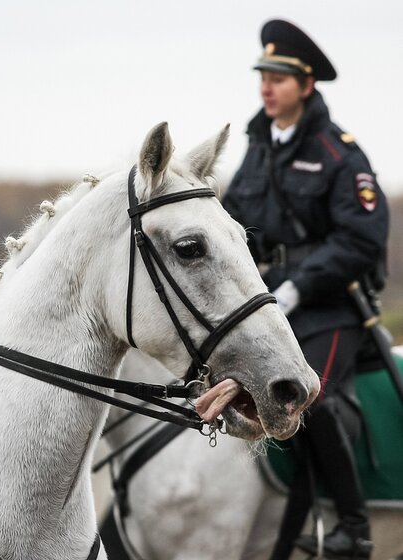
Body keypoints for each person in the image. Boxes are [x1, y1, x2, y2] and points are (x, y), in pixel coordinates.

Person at [223, 19, 388, 559]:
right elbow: (234, 225)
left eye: (278, 78)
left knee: (309, 395)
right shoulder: (258, 147)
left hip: (330, 307)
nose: (266, 88)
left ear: (306, 85)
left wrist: (298, 286)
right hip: (267, 302)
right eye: (263, 77)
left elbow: (361, 239)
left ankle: (355, 526)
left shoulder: (340, 154)